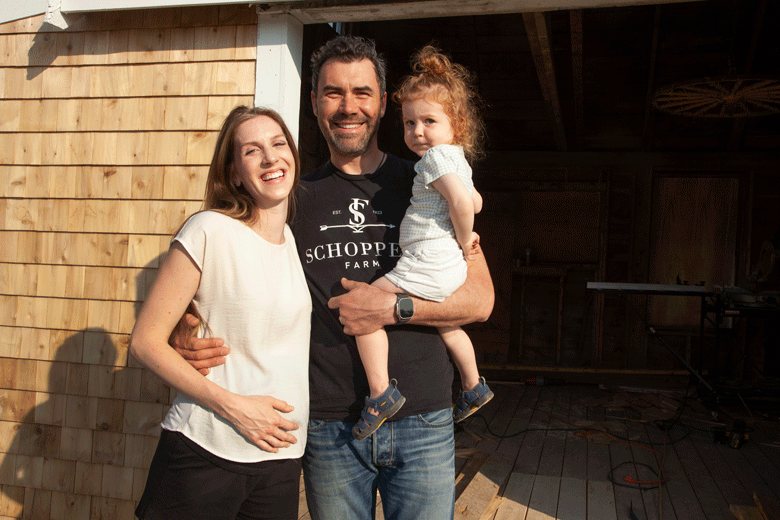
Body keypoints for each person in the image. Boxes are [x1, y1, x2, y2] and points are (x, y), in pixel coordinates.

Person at [176, 35, 494, 520]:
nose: (349, 107)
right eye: (334, 93)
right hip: (330, 424)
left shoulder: (429, 179)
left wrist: (394, 308)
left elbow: (480, 300)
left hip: (425, 417)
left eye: (362, 92)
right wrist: (186, 328)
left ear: (383, 103)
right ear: (314, 103)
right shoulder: (288, 197)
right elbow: (229, 269)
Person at [129, 106, 311, 520]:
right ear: (233, 173)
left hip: (281, 457)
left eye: (279, 144)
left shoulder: (293, 244)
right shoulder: (208, 229)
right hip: (206, 450)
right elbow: (144, 342)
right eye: (252, 151)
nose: (270, 158)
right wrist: (235, 408)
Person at [350, 45, 494, 440]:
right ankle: (472, 384)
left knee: (363, 308)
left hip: (428, 258)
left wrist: (465, 239)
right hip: (444, 264)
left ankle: (379, 393)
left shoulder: (432, 160)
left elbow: (464, 203)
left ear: (456, 124)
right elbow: (475, 199)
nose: (417, 132)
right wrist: (465, 225)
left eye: (429, 120)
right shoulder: (457, 159)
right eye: (410, 122)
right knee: (448, 326)